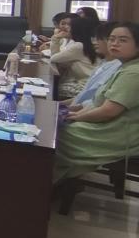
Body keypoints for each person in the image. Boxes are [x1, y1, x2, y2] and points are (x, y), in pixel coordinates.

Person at [55, 22, 139, 180]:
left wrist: (76, 117)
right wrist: (73, 113)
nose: (114, 43)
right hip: (104, 125)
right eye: (112, 39)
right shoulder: (124, 67)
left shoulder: (133, 73)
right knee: (51, 128)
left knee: (51, 136)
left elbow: (108, 111)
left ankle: (40, 183)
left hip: (113, 133)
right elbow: (96, 100)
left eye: (123, 40)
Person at [73, 22, 121, 108]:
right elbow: (81, 96)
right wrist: (60, 105)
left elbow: (97, 102)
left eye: (99, 38)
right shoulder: (104, 63)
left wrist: (69, 109)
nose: (94, 42)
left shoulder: (118, 67)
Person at [50, 15, 98, 100]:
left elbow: (53, 58)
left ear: (77, 29)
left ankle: (56, 107)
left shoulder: (78, 46)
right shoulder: (83, 44)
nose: (66, 28)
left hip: (84, 85)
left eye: (70, 26)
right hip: (87, 83)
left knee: (53, 88)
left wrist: (55, 38)